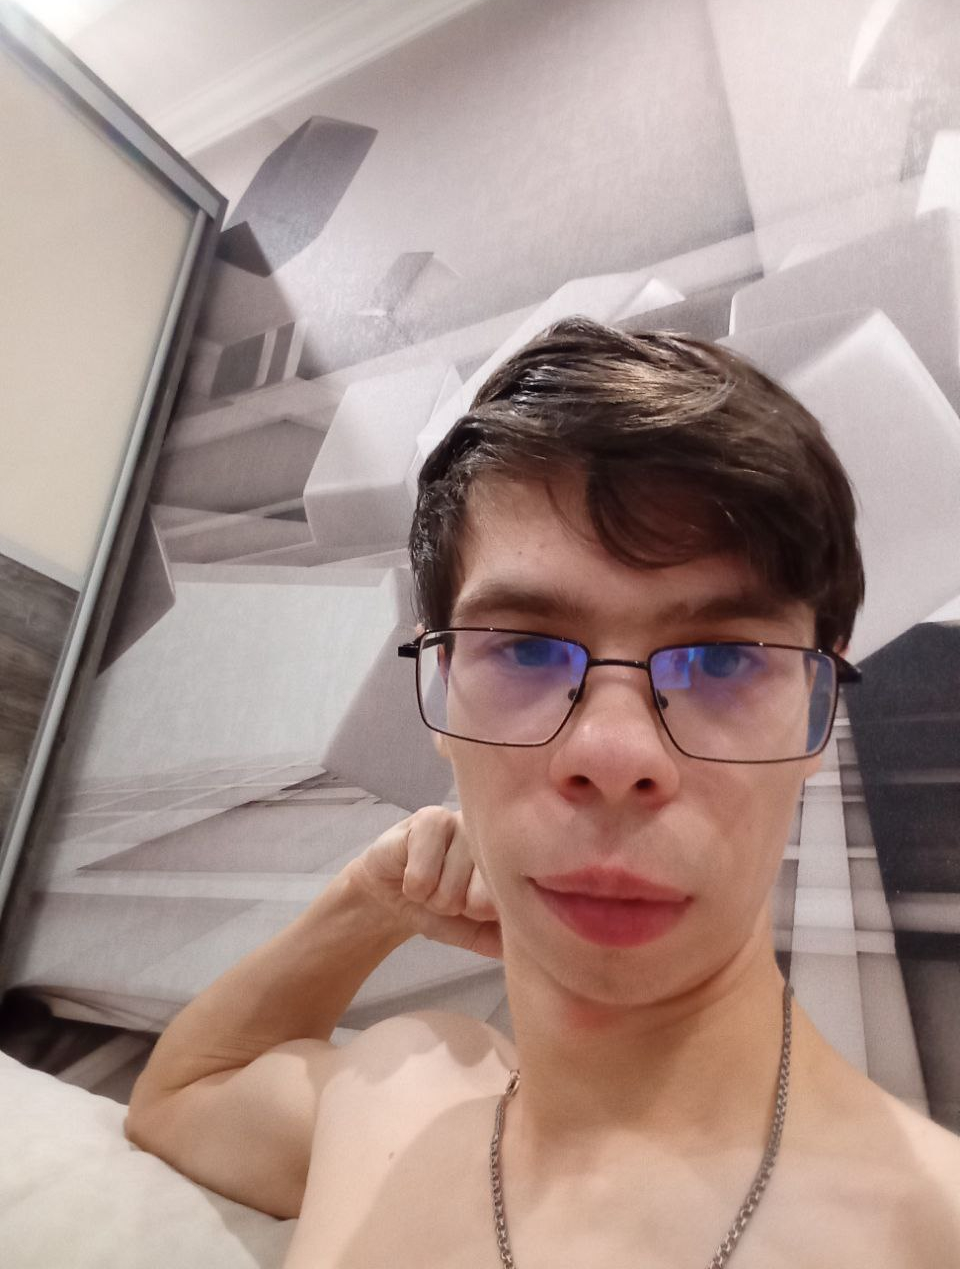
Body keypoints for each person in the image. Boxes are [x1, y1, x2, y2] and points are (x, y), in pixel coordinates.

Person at [124, 317, 960, 1267]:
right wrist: (374, 899)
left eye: (725, 659)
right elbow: (181, 1095)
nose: (612, 752)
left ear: (818, 704)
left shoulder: (928, 1233)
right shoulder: (403, 1096)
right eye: (523, 649)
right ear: (441, 690)